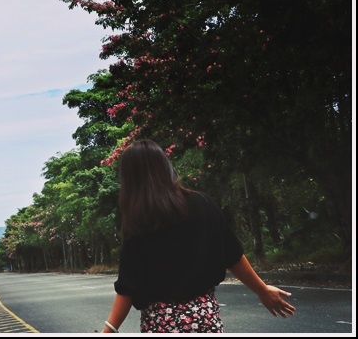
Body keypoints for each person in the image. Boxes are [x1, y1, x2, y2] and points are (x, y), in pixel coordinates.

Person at [100, 139, 296, 333]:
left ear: (130, 179)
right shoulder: (203, 204)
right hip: (205, 319)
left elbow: (127, 288)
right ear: (165, 166)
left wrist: (108, 331)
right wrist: (262, 291)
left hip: (162, 325)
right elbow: (232, 255)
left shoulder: (138, 223)